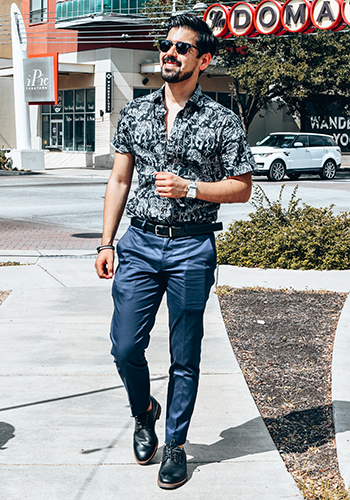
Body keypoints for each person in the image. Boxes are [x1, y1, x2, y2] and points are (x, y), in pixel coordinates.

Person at [95, 13, 255, 490]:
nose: (170, 52)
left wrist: (191, 189)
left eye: (181, 48)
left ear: (203, 60)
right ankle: (144, 411)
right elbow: (119, 179)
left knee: (185, 355)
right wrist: (106, 241)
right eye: (166, 45)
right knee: (125, 347)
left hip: (191, 248)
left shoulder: (222, 121)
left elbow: (242, 188)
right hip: (139, 244)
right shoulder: (136, 113)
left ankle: (176, 445)